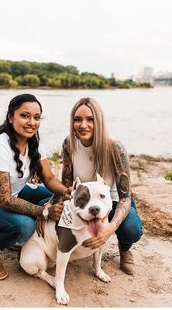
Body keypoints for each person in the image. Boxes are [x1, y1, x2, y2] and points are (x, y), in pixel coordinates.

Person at [0, 93, 71, 281]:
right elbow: (4, 199)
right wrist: (43, 212)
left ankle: (19, 237)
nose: (32, 122)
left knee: (52, 195)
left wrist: (66, 192)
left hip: (11, 195)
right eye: (25, 115)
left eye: (36, 117)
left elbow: (48, 177)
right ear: (10, 117)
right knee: (24, 226)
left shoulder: (35, 144)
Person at [61, 97, 142, 275]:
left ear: (99, 121)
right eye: (77, 119)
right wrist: (57, 202)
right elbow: (66, 184)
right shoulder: (69, 144)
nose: (83, 125)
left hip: (110, 202)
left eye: (90, 119)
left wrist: (110, 229)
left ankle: (125, 248)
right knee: (45, 211)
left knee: (132, 229)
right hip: (81, 202)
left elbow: (125, 197)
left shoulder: (115, 147)